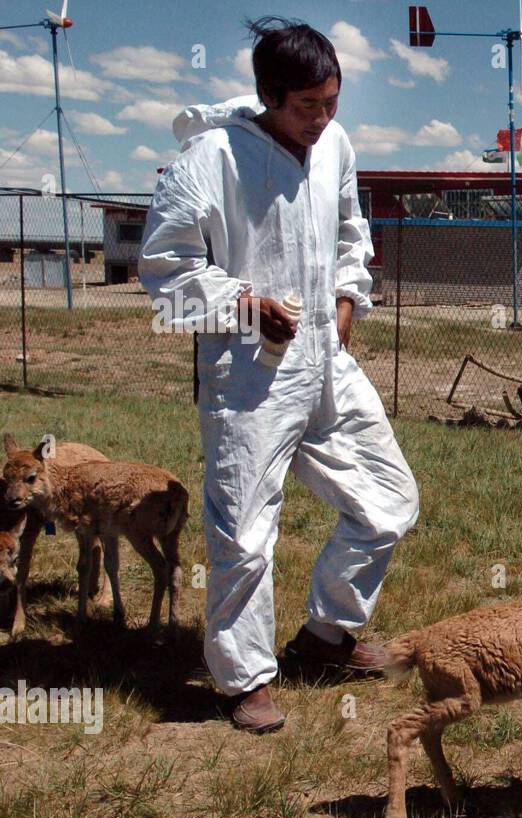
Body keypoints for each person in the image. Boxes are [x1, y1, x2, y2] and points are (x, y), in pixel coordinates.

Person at [140, 17, 420, 733]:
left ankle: (325, 635)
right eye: (306, 106)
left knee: (388, 497)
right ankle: (244, 678)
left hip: (326, 357)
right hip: (247, 373)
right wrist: (244, 304)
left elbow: (352, 231)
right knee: (243, 528)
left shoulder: (334, 147)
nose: (322, 119)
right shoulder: (214, 156)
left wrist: (349, 299)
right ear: (268, 94)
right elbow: (164, 268)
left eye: (333, 102)